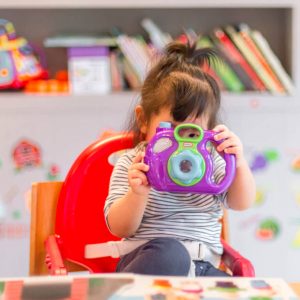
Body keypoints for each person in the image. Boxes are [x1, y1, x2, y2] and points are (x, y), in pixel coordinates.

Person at [104, 41, 256, 277]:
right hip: (150, 262)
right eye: (171, 130)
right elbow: (119, 227)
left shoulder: (211, 161)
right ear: (144, 121)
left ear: (209, 131)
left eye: (192, 133)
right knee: (171, 254)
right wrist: (137, 193)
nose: (181, 144)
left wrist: (238, 161)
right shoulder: (134, 163)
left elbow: (241, 203)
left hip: (202, 267)